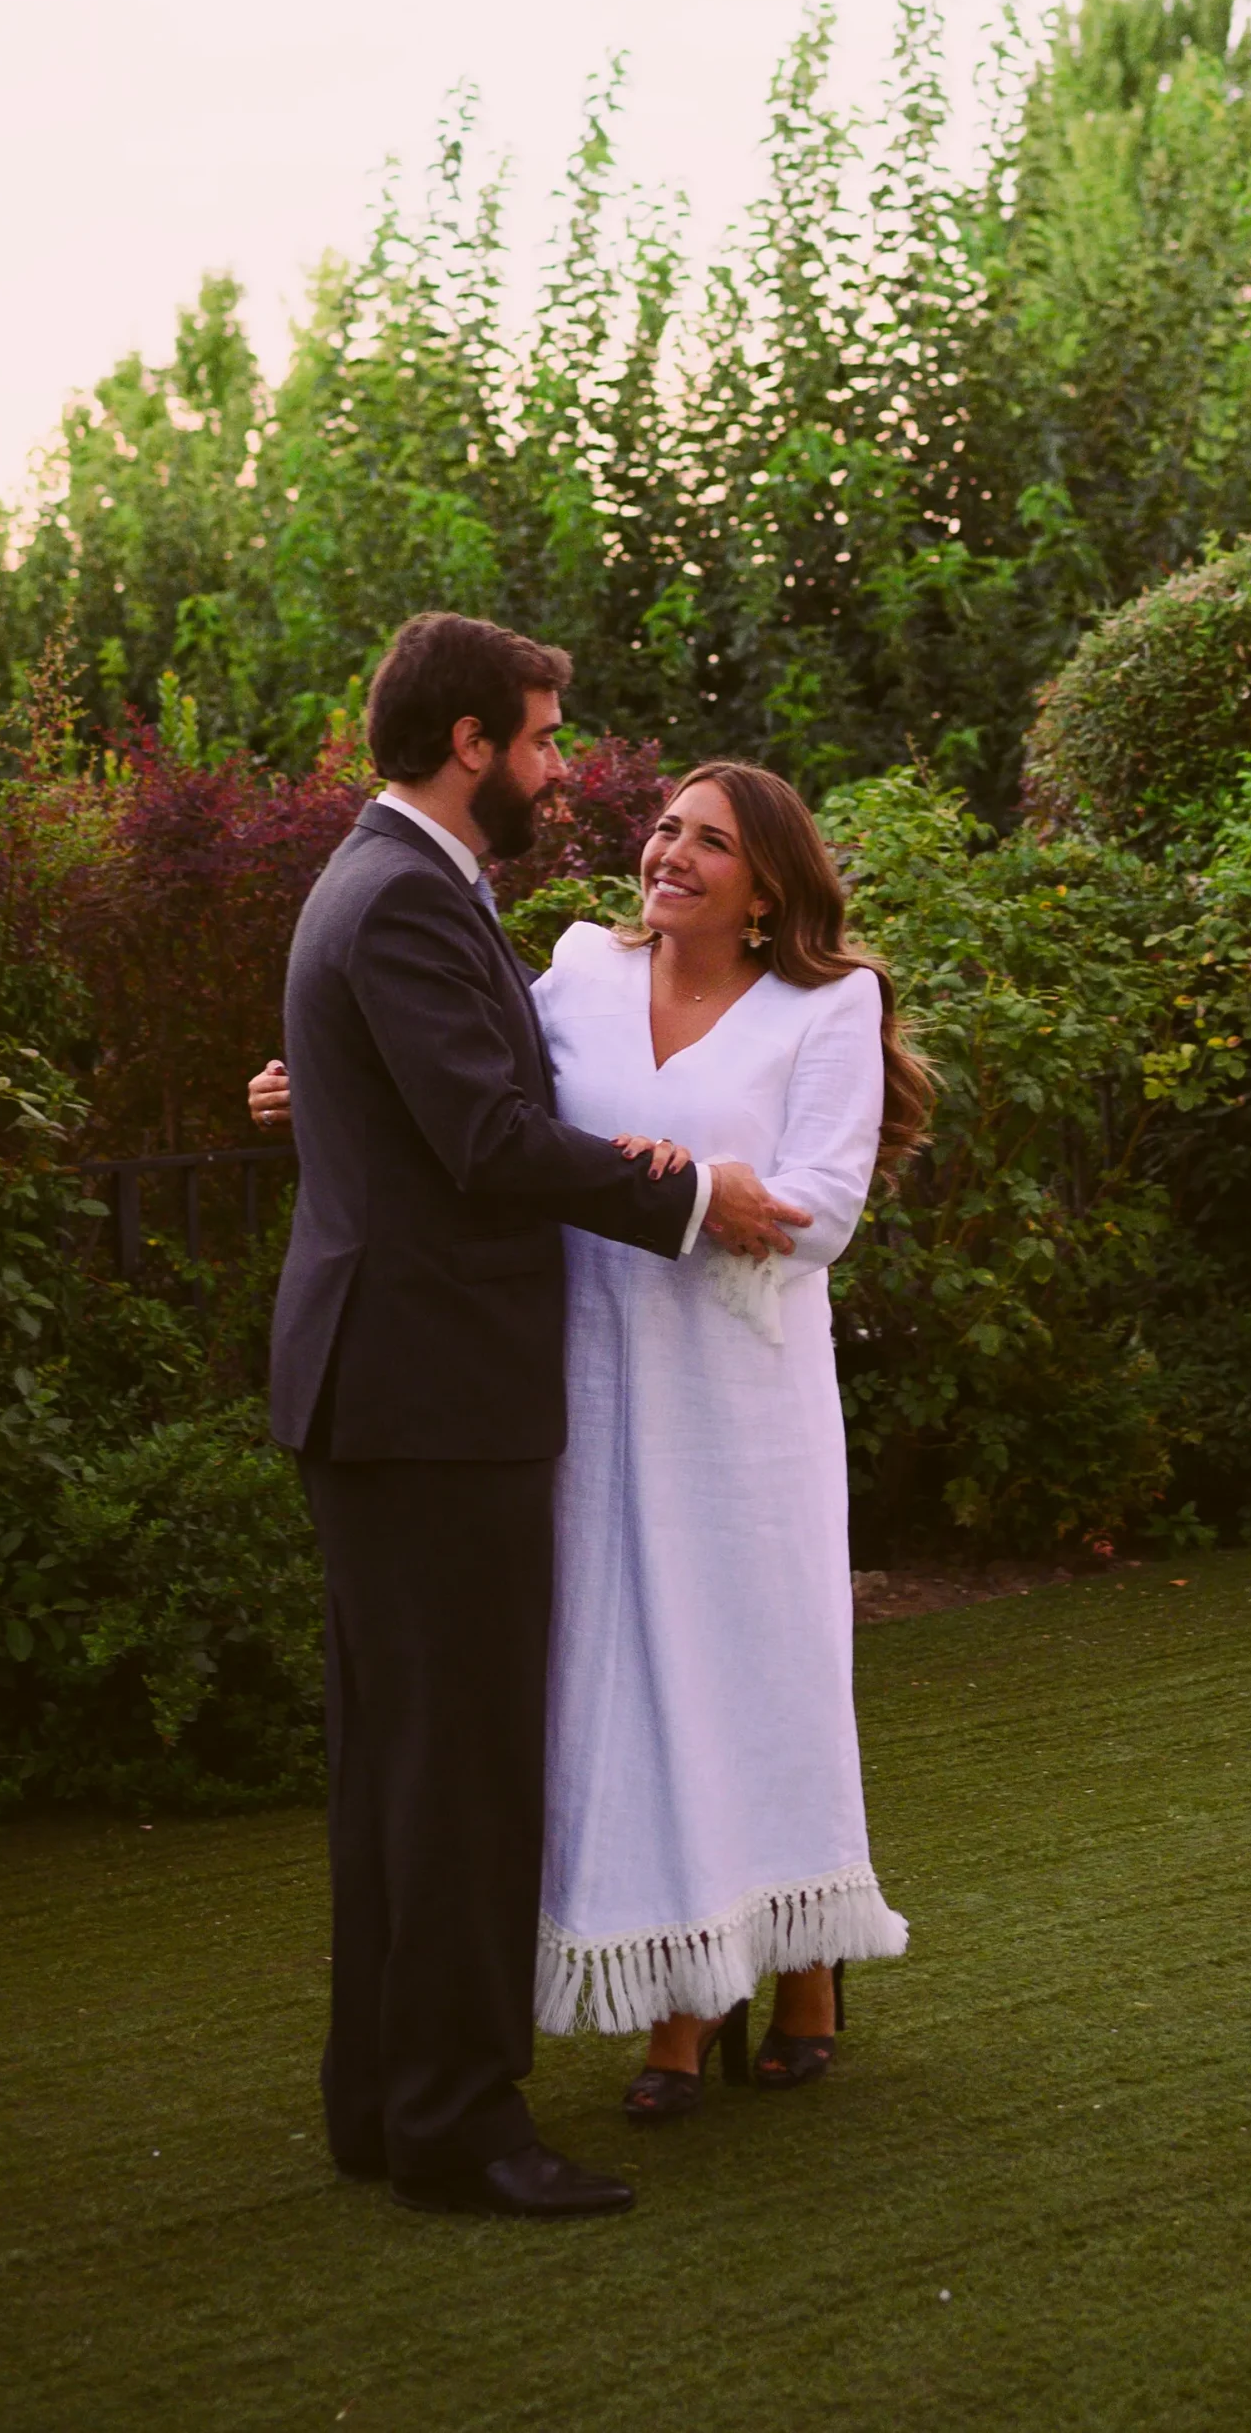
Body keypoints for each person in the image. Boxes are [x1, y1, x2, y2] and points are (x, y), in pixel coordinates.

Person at [262, 612, 806, 2220]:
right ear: (470, 744)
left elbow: (431, 1099)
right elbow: (490, 1140)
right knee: (462, 1773)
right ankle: (455, 2123)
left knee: (402, 1768)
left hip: (393, 1390)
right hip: (430, 1396)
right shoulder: (404, 896)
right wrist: (693, 1195)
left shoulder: (394, 884)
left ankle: (384, 2102)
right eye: (544, 737)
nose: (560, 769)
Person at [527, 763, 929, 2116]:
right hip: (596, 1396)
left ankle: (799, 1969)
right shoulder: (578, 973)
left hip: (744, 1413)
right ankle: (690, 1978)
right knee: (636, 1690)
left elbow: (819, 1212)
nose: (671, 853)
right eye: (665, 829)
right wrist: (322, 1089)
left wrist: (675, 1187)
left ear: (767, 888)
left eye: (710, 842)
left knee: (762, 1682)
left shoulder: (827, 1004)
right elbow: (476, 1107)